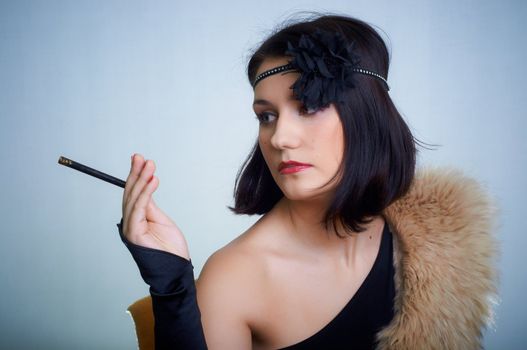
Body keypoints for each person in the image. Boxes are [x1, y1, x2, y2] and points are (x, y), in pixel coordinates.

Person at [117, 14, 499, 349]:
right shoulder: (235, 277)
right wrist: (173, 290)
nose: (280, 138)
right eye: (266, 116)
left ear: (365, 115)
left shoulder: (435, 236)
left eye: (309, 106)